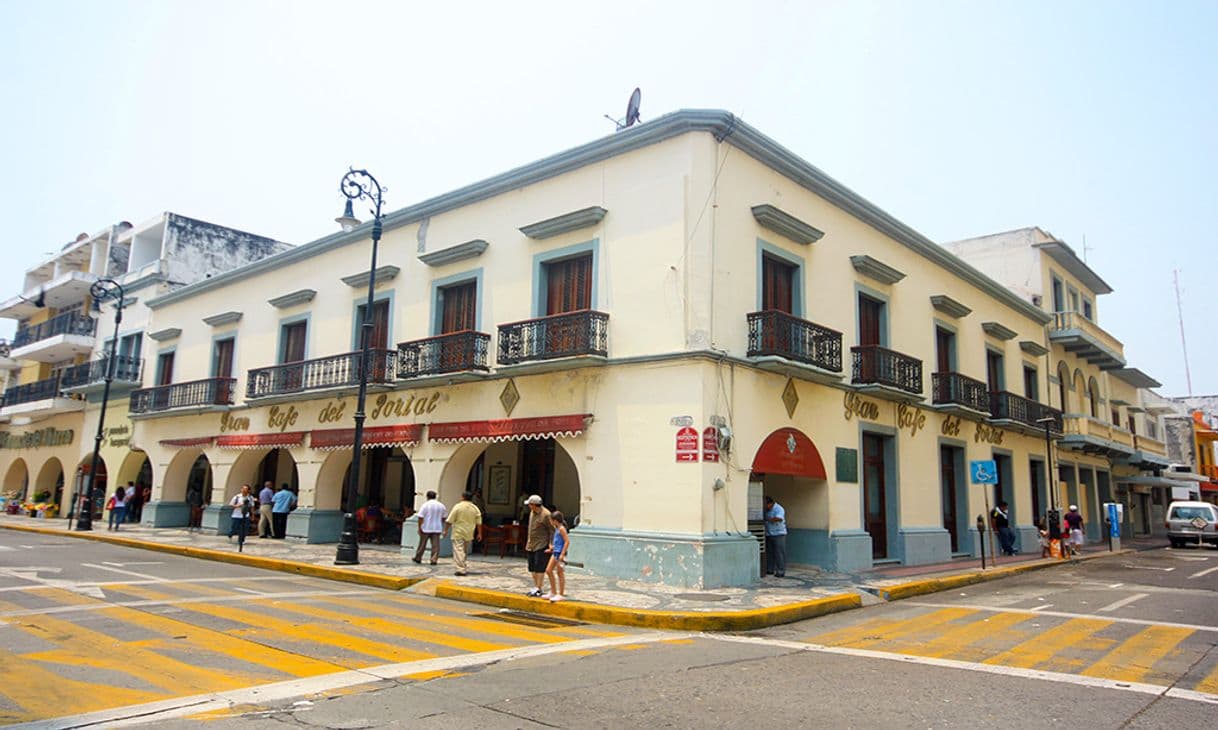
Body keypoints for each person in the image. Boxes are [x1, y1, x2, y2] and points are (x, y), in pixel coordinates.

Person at [446, 490, 483, 576]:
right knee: (463, 551)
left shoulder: (458, 507)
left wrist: (445, 530)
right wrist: (480, 533)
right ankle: (462, 565)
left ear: (462, 497)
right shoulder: (475, 508)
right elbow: (479, 522)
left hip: (458, 531)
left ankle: (461, 569)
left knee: (459, 550)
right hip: (469, 532)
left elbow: (449, 520)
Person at [523, 495, 554, 597]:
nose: (529, 507)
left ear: (534, 505)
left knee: (539, 567)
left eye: (530, 505)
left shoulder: (546, 515)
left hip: (542, 544)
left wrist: (551, 543)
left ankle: (539, 588)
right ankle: (536, 586)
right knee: (532, 567)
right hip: (531, 544)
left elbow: (552, 530)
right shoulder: (532, 513)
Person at [412, 490, 447, 565]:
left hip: (426, 527)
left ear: (427, 497)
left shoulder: (425, 505)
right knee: (435, 545)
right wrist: (440, 522)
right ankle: (434, 559)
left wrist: (419, 527)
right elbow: (444, 517)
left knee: (422, 544)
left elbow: (420, 517)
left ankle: (418, 557)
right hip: (437, 528)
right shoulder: (441, 505)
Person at [545, 510, 570, 601]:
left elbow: (567, 541)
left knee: (560, 573)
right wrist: (552, 548)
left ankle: (561, 593)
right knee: (548, 570)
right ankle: (553, 591)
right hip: (555, 552)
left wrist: (562, 554)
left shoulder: (561, 529)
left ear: (555, 520)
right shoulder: (557, 529)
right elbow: (558, 542)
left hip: (559, 553)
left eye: (551, 520)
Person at [764, 496, 787, 577]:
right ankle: (770, 569)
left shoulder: (779, 509)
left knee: (779, 553)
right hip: (769, 534)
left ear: (770, 503)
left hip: (779, 534)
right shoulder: (767, 510)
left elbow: (779, 518)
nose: (765, 507)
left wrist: (769, 519)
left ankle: (781, 571)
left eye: (766, 505)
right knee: (770, 553)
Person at [228, 484, 255, 549]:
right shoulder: (237, 497)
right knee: (234, 528)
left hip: (246, 515)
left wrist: (252, 515)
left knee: (244, 529)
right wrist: (237, 506)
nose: (244, 490)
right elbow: (231, 505)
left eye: (246, 489)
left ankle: (241, 540)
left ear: (248, 490)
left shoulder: (250, 498)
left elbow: (252, 507)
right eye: (243, 489)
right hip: (236, 515)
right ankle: (230, 534)